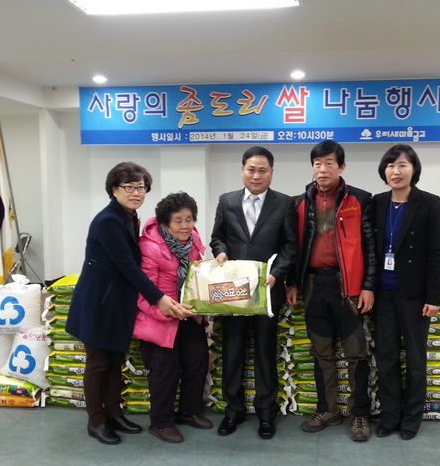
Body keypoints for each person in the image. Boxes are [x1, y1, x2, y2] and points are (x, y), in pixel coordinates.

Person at [66, 162, 195, 446]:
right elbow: (128, 266)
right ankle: (96, 421)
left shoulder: (129, 216)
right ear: (114, 189)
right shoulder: (108, 221)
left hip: (117, 301)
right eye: (129, 187)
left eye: (141, 187)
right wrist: (159, 298)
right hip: (99, 302)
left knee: (115, 361)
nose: (136, 193)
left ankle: (114, 414)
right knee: (98, 363)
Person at [287, 139, 377, 442]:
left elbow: (371, 249)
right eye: (317, 164)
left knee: (356, 354)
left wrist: (368, 286)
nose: (322, 169)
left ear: (341, 166)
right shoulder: (300, 203)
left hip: (347, 287)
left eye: (329, 163)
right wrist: (293, 283)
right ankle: (327, 410)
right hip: (314, 286)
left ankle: (359, 413)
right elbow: (293, 248)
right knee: (321, 353)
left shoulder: (360, 199)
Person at [210, 146, 297, 440]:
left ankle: (266, 412)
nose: (256, 175)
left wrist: (277, 274)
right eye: (251, 169)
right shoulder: (227, 201)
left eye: (262, 170)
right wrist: (221, 253)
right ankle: (232, 411)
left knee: (264, 352)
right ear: (242, 170)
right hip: (232, 292)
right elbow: (217, 237)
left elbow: (290, 246)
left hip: (267, 290)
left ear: (271, 172)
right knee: (232, 351)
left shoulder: (284, 203)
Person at [373, 144, 440, 441]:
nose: (396, 171)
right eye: (391, 165)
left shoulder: (429, 202)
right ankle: (390, 416)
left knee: (415, 359)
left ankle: (412, 418)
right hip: (382, 294)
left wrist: (433, 297)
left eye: (402, 165)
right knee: (386, 357)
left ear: (414, 169)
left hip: (414, 295)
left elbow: (436, 252)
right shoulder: (377, 202)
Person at [133, 192, 213, 444]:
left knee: (197, 361)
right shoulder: (149, 246)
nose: (185, 226)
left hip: (187, 314)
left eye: (189, 219)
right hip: (158, 317)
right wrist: (166, 310)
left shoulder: (194, 239)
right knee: (164, 370)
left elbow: (197, 276)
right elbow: (143, 291)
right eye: (178, 220)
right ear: (165, 222)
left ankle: (188, 412)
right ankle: (161, 423)